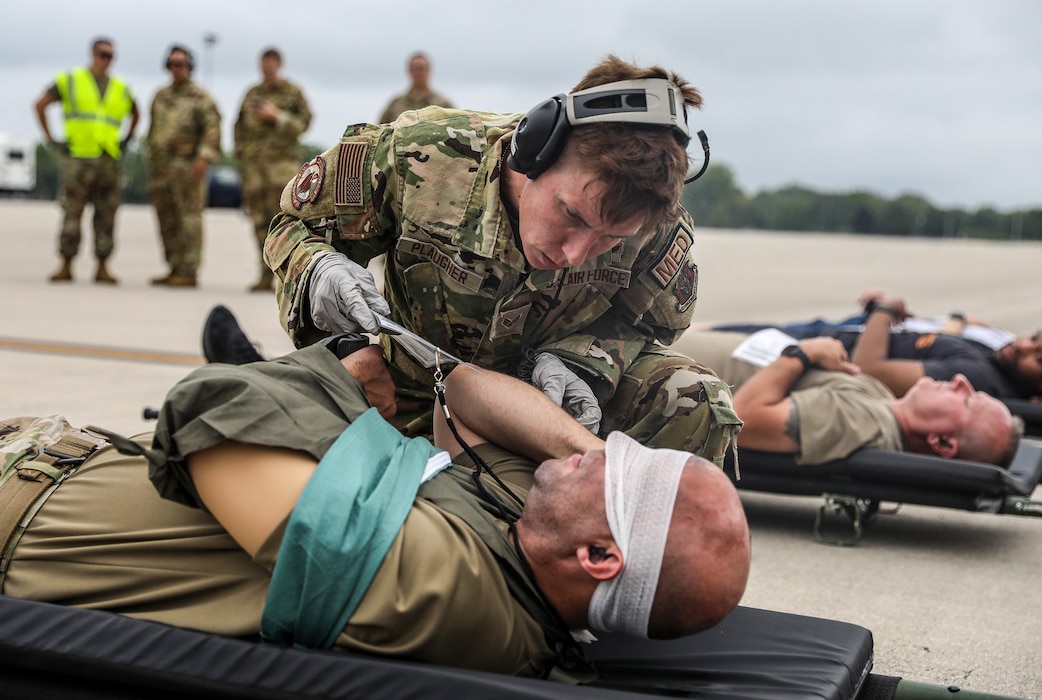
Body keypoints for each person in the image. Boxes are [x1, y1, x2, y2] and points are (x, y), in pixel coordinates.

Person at [0, 337, 751, 680]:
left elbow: (212, 411)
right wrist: (589, 454)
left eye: (612, 476)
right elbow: (460, 392)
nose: (585, 456)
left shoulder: (441, 588)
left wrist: (346, 375)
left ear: (599, 556)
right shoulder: (532, 542)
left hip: (18, 507)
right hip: (41, 452)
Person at [262, 55, 742, 463]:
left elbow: (652, 325)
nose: (575, 253)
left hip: (548, 411)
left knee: (695, 398)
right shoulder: (422, 155)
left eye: (609, 239)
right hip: (400, 394)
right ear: (535, 152)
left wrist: (582, 362)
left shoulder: (655, 225)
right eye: (571, 214)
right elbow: (297, 227)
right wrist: (334, 314)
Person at [680, 333, 1021, 467]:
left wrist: (802, 354)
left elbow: (744, 421)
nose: (962, 381)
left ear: (942, 442)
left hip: (653, 368)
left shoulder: (863, 422)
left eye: (968, 401)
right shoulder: (884, 403)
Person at [706, 290, 1041, 401]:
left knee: (704, 338)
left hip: (808, 353)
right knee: (711, 330)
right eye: (1035, 338)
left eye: (1038, 358)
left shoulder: (974, 376)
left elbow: (871, 370)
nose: (1024, 345)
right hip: (825, 337)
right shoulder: (995, 362)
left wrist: (883, 311)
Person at [33, 37, 139, 284]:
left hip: (108, 158)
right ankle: (66, 263)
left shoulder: (120, 87)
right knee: (72, 212)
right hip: (77, 157)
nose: (106, 60)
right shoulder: (71, 81)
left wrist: (127, 139)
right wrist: (50, 138)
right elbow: (40, 104)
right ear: (92, 54)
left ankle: (102, 265)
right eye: (102, 54)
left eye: (111, 56)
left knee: (107, 214)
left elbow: (136, 112)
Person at [234, 47, 312, 292]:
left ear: (279, 64)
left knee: (285, 222)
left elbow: (304, 123)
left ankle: (287, 274)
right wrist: (242, 158)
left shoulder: (292, 93)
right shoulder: (252, 93)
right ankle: (263, 273)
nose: (266, 69)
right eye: (263, 65)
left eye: (271, 64)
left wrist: (277, 116)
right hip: (255, 171)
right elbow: (239, 127)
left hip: (281, 170)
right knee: (259, 222)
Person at [146, 45, 221, 288]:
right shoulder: (161, 96)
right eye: (172, 63)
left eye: (181, 64)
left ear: (190, 66)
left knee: (189, 220)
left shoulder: (200, 97)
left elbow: (212, 130)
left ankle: (189, 270)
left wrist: (203, 158)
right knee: (167, 220)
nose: (176, 68)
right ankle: (174, 267)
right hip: (162, 170)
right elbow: (154, 131)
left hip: (188, 169)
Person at [378, 52, 453, 123]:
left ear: (429, 71)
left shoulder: (442, 105)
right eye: (416, 69)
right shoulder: (396, 104)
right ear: (409, 71)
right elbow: (380, 131)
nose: (419, 73)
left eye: (422, 68)